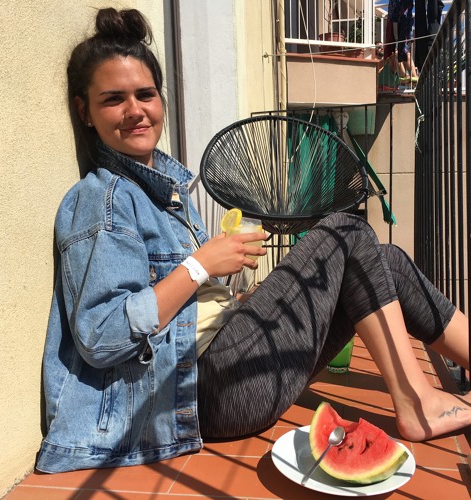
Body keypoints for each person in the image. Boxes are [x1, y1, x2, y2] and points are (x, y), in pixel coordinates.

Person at [36, 8, 470, 474]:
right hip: (206, 391)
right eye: (113, 100)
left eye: (145, 94)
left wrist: (232, 294)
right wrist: (200, 265)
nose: (135, 110)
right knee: (345, 232)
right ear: (84, 111)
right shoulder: (101, 200)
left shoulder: (161, 193)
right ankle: (416, 402)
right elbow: (102, 337)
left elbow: (187, 311)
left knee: (385, 260)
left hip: (225, 369)